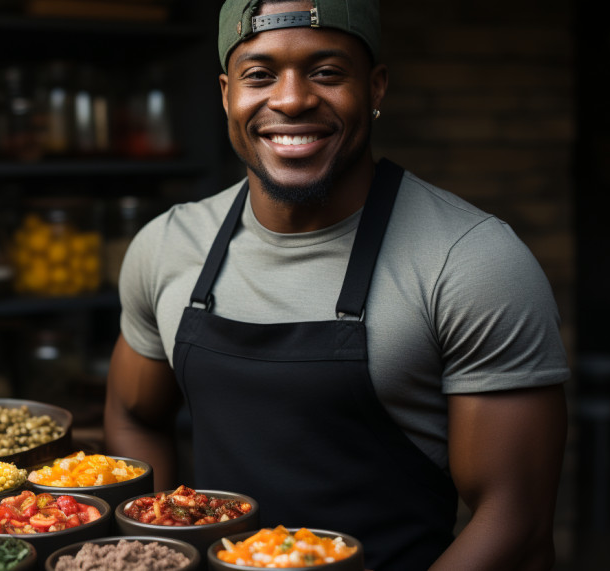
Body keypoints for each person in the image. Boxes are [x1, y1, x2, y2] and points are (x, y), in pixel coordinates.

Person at [104, 0, 569, 569]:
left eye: (326, 72)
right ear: (227, 93)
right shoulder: (168, 244)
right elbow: (134, 416)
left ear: (374, 88)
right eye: (260, 75)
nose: (292, 99)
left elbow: (515, 519)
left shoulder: (471, 260)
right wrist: (152, 549)